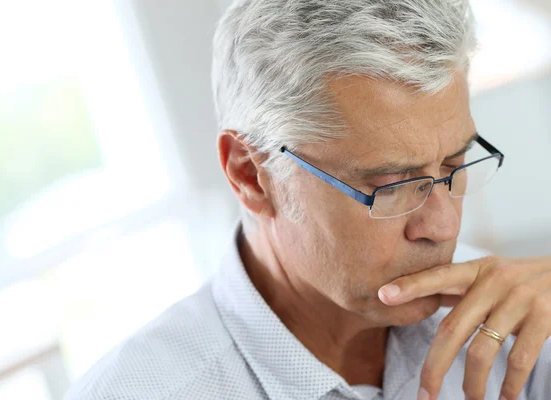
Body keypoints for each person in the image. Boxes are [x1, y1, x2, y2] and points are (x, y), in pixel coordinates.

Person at [64, 1, 551, 399]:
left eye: (454, 164)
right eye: (390, 182)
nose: (443, 226)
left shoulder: (519, 321)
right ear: (250, 175)